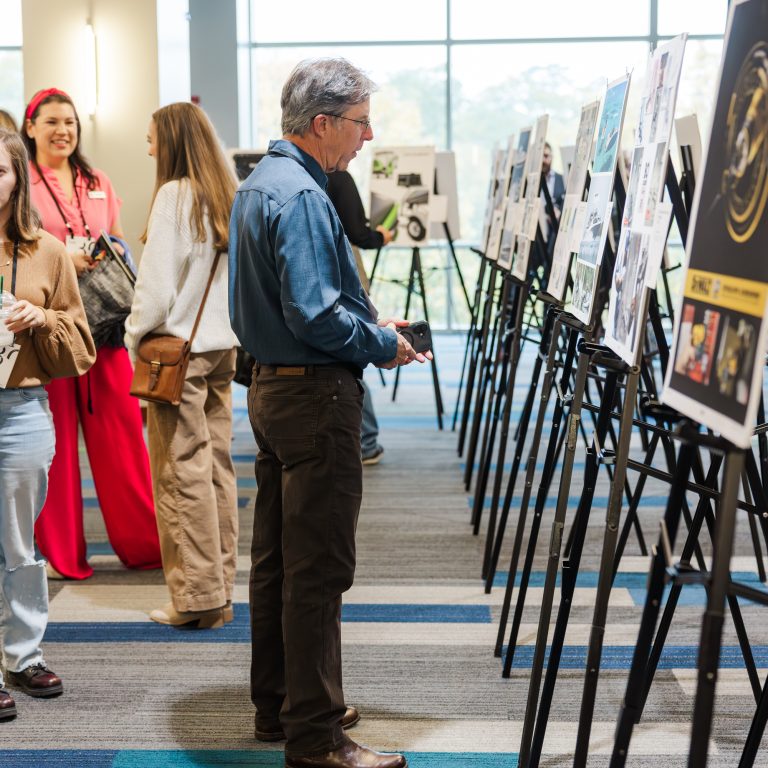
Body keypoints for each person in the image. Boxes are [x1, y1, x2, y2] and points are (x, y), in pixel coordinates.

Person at [230, 58, 428, 768]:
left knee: (279, 560)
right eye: (360, 121)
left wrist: (371, 322)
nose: (368, 136)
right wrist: (380, 342)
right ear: (322, 123)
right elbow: (313, 313)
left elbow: (291, 303)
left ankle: (279, 703)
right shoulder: (308, 198)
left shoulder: (260, 185)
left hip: (271, 391)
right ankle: (316, 735)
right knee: (318, 568)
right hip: (316, 397)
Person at [22, 88, 161, 580]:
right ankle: (62, 554)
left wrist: (110, 249)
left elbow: (120, 237)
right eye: (53, 121)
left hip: (103, 329)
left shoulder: (96, 178)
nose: (63, 131)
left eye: (71, 123)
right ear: (31, 126)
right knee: (54, 451)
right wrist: (63, 254)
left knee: (125, 441)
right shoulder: (20, 182)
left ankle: (144, 544)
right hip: (51, 332)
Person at [124, 102, 239, 629]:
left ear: (170, 141)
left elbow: (154, 290)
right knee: (216, 469)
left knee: (178, 474)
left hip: (177, 356)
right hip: (222, 350)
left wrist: (133, 339)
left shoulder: (174, 195)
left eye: (151, 139)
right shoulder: (228, 194)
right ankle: (222, 588)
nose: (148, 148)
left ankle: (196, 600)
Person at [0, 130, 95, 720]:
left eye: (0, 171)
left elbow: (81, 346)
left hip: (22, 411)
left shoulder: (48, 251)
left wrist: (41, 318)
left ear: (17, 179)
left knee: (18, 542)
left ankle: (23, 655)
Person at [326, 170, 393, 466]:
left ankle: (362, 439)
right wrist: (381, 236)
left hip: (327, 275)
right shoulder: (339, 177)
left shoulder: (300, 175)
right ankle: (366, 441)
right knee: (353, 353)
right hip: (346, 271)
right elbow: (358, 233)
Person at [541, 142, 565, 256]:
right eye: (541, 156)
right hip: (540, 230)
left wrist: (558, 211)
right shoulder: (534, 182)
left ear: (552, 156)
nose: (543, 160)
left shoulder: (561, 179)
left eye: (546, 156)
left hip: (556, 229)